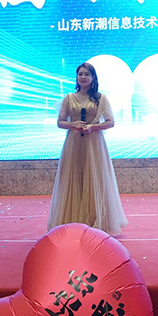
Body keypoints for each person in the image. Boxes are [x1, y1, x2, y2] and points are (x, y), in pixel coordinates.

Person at [47, 62, 128, 235]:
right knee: (74, 178)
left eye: (86, 74)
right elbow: (60, 122)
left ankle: (95, 220)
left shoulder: (101, 98)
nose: (83, 77)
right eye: (80, 74)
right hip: (73, 143)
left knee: (94, 178)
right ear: (76, 77)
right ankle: (72, 221)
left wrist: (93, 127)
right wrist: (73, 124)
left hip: (94, 143)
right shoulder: (69, 98)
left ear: (93, 78)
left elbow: (110, 121)